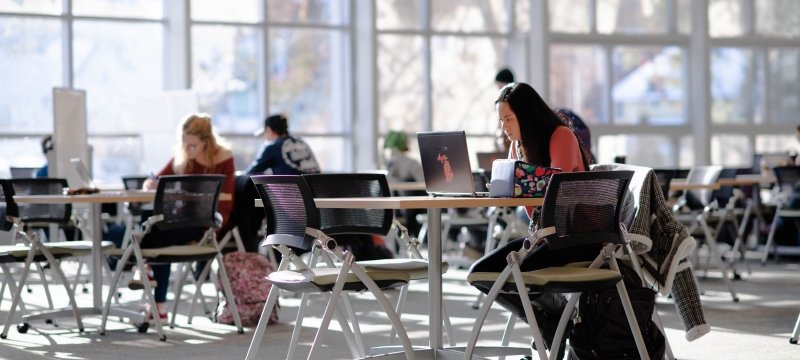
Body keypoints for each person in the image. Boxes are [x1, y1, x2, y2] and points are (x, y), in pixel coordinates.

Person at [469, 82, 590, 355]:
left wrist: (514, 184)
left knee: (503, 275)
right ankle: (553, 318)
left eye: (509, 119)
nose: (505, 128)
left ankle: (553, 321)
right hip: (544, 236)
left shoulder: (561, 136)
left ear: (527, 115)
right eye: (501, 121)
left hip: (575, 236)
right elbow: (524, 193)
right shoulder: (518, 147)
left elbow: (553, 191)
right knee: (480, 274)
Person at [133, 113, 235, 319]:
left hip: (208, 221)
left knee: (153, 235)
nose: (187, 149)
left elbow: (226, 199)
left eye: (193, 145)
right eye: (184, 144)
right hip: (183, 220)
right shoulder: (183, 157)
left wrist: (189, 196)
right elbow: (154, 180)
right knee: (158, 235)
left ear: (207, 142)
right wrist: (150, 183)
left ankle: (142, 266)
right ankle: (153, 289)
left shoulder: (223, 158)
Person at [244, 113, 320, 175]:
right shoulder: (300, 142)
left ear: (269, 130)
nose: (264, 136)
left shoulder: (273, 148)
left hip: (292, 191)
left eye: (265, 133)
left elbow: (251, 171)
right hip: (317, 189)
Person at [384, 130, 425, 236]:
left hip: (395, 210)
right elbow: (425, 182)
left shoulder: (389, 165)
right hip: (413, 209)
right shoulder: (411, 164)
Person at [494, 68, 515, 153]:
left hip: (508, 141)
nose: (498, 88)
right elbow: (499, 124)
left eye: (500, 85)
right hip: (503, 140)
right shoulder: (499, 102)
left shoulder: (511, 101)